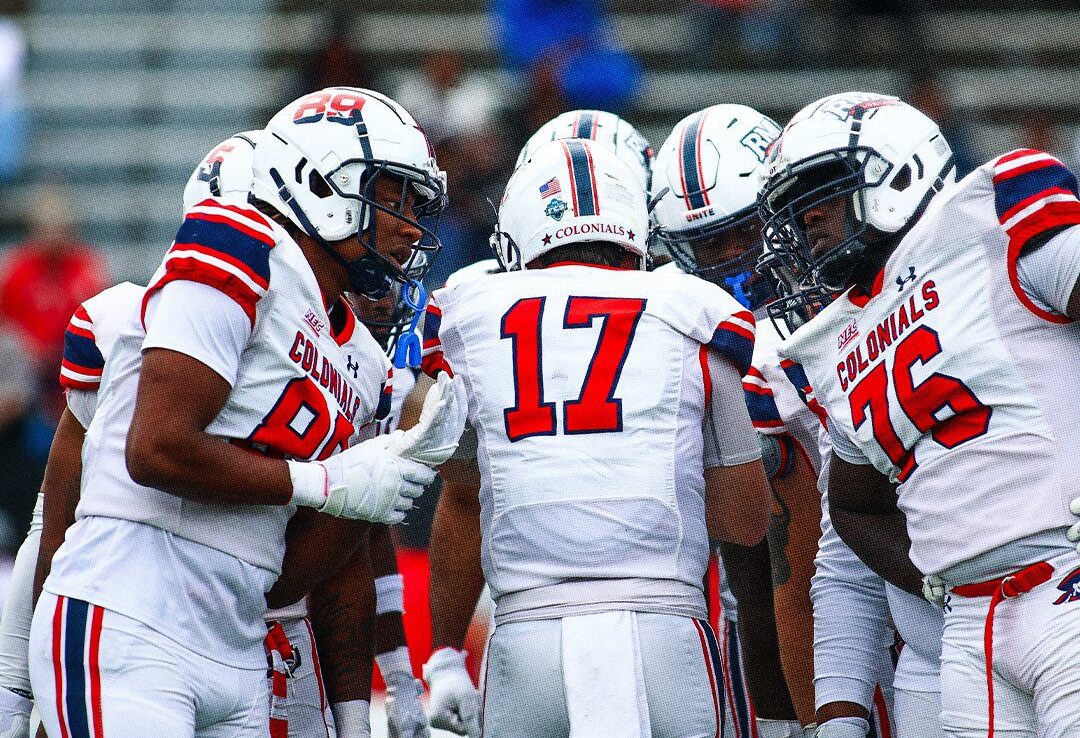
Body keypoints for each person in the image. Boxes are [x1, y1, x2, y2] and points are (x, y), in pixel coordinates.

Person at [28, 87, 467, 738]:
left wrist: (389, 473)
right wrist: (328, 483)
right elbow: (156, 449)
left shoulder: (360, 357)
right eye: (391, 196)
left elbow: (283, 578)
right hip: (127, 614)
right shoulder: (240, 242)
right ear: (320, 179)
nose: (409, 226)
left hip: (236, 646)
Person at [420, 137, 771, 737]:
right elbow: (746, 521)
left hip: (527, 636)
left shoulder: (469, 309)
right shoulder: (694, 309)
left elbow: (442, 468)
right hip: (664, 630)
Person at [761, 90, 1080, 738]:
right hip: (968, 621)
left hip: (1066, 582)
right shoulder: (837, 336)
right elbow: (852, 506)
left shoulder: (989, 212)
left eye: (823, 190)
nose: (810, 219)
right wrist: (933, 573)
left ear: (898, 173)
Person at [652, 103, 813, 738]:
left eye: (741, 233)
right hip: (737, 578)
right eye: (705, 244)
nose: (726, 261)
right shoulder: (672, 310)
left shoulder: (838, 290)